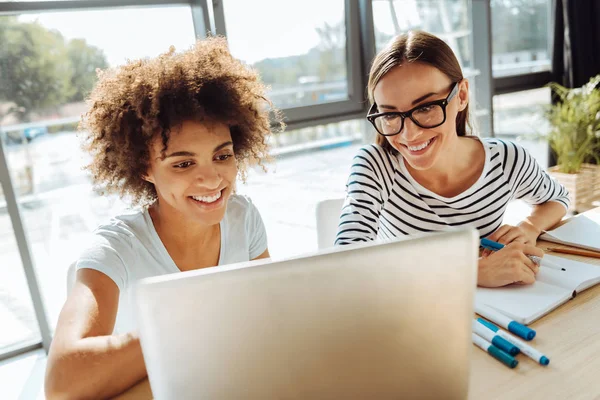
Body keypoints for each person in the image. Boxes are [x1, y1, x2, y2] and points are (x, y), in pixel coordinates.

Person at [45, 37, 283, 399]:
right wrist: (194, 322)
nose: (212, 179)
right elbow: (62, 383)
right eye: (184, 163)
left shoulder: (243, 217)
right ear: (145, 167)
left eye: (222, 156)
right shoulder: (114, 249)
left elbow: (271, 315)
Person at [335, 30, 569, 288]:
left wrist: (529, 227)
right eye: (390, 115)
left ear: (461, 96)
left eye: (425, 108)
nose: (409, 134)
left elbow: (558, 199)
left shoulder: (505, 159)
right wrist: (471, 273)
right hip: (409, 310)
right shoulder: (375, 166)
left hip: (494, 310)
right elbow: (347, 263)